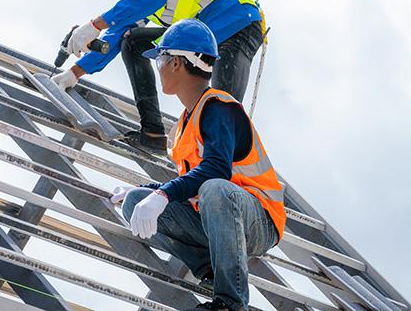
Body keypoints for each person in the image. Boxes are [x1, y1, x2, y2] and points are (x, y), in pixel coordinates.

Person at [51, 0, 265, 154]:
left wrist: (94, 24)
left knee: (218, 121)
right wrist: (74, 73)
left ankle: (223, 184)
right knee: (132, 39)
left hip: (235, 25)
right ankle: (152, 133)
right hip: (204, 36)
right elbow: (119, 33)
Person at [110, 19, 285, 311]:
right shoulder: (183, 123)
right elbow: (191, 181)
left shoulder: (218, 108)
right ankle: (211, 271)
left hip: (258, 220)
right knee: (135, 202)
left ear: (177, 62)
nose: (158, 67)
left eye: (160, 59)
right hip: (216, 217)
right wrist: (145, 190)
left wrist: (163, 194)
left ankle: (231, 301)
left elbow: (215, 172)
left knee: (216, 189)